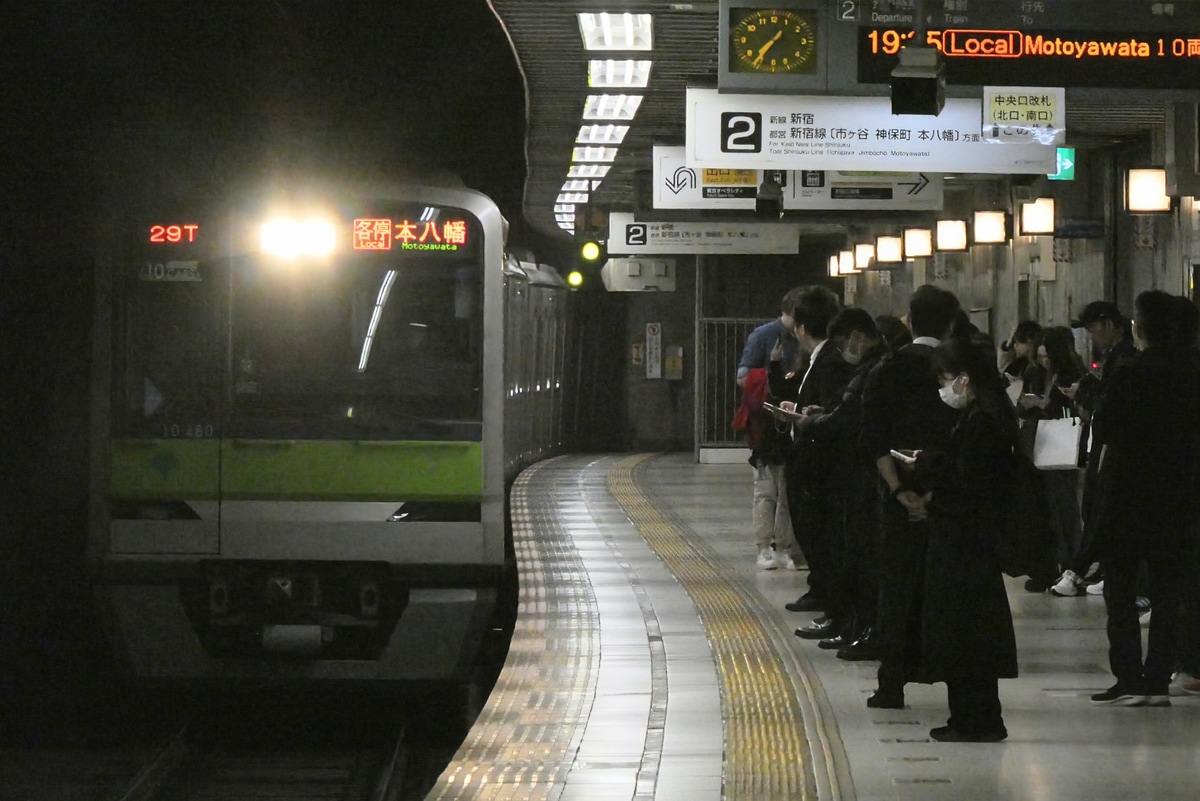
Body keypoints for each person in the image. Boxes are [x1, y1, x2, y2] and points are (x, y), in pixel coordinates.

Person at [902, 336, 1019, 742]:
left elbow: (970, 484)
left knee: (965, 632)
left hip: (965, 543)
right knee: (967, 632)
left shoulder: (983, 421)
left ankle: (976, 718)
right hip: (968, 540)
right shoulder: (985, 415)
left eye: (946, 379)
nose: (943, 388)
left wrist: (930, 469)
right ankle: (970, 715)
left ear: (965, 379)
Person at [1089, 291, 1200, 706]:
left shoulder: (1132, 373)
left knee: (1120, 588)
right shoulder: (1191, 374)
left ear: (1140, 328)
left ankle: (1129, 675)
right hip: (1179, 493)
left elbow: (1109, 429)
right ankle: (1158, 678)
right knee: (1169, 591)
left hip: (1130, 493)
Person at [859, 285, 961, 709]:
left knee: (896, 586)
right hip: (950, 497)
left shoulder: (886, 368)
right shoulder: (959, 369)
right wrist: (933, 492)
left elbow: (873, 438)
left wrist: (900, 491)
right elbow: (966, 438)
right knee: (948, 588)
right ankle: (952, 675)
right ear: (951, 323)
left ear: (909, 321)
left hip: (895, 495)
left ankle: (891, 683)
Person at [794, 308, 890, 657]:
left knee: (858, 557)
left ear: (855, 336)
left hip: (859, 476)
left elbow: (849, 420)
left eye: (842, 343)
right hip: (864, 475)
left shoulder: (871, 370)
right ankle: (855, 624)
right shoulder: (873, 368)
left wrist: (814, 423)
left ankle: (860, 626)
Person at [770, 286, 854, 616]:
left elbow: (831, 412)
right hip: (809, 456)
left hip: (818, 463)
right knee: (810, 528)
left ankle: (826, 592)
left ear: (802, 328)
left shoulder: (829, 361)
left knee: (818, 529)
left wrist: (805, 415)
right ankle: (820, 588)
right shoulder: (821, 358)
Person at [735, 287, 805, 570]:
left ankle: (785, 547)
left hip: (795, 425)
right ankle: (764, 547)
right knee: (766, 490)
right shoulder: (763, 336)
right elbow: (742, 375)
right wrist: (771, 376)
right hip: (766, 426)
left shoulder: (806, 339)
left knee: (788, 491)